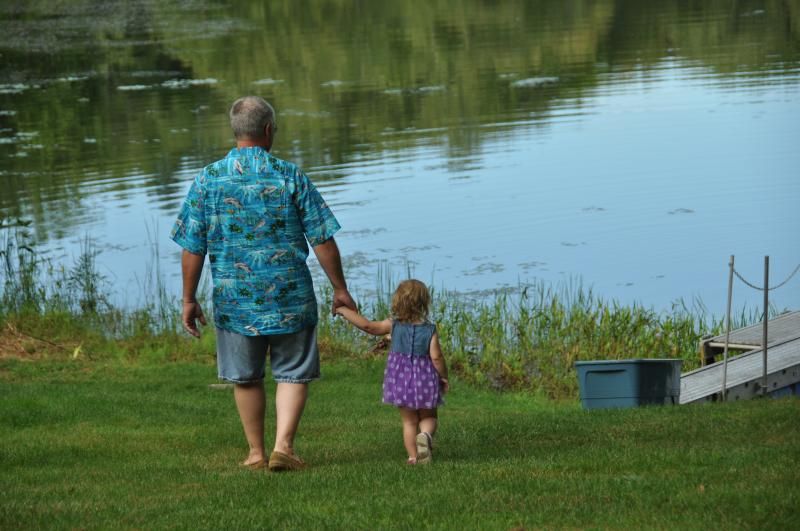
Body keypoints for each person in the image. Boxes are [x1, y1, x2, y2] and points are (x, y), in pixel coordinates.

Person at [170, 96, 356, 472]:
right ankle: (283, 446)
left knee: (245, 377)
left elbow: (193, 247)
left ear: (236, 131)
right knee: (293, 371)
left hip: (234, 299)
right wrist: (339, 288)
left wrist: (188, 298)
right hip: (290, 297)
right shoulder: (290, 176)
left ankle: (256, 453)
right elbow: (322, 239)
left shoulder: (207, 180)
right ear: (269, 130)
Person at [335, 279, 448, 465]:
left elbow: (368, 326)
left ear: (397, 301)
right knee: (428, 416)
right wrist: (443, 376)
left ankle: (413, 457)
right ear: (424, 303)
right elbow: (436, 357)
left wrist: (343, 310)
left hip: (400, 380)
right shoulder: (429, 330)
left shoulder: (393, 325)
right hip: (426, 379)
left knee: (409, 422)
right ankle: (426, 435)